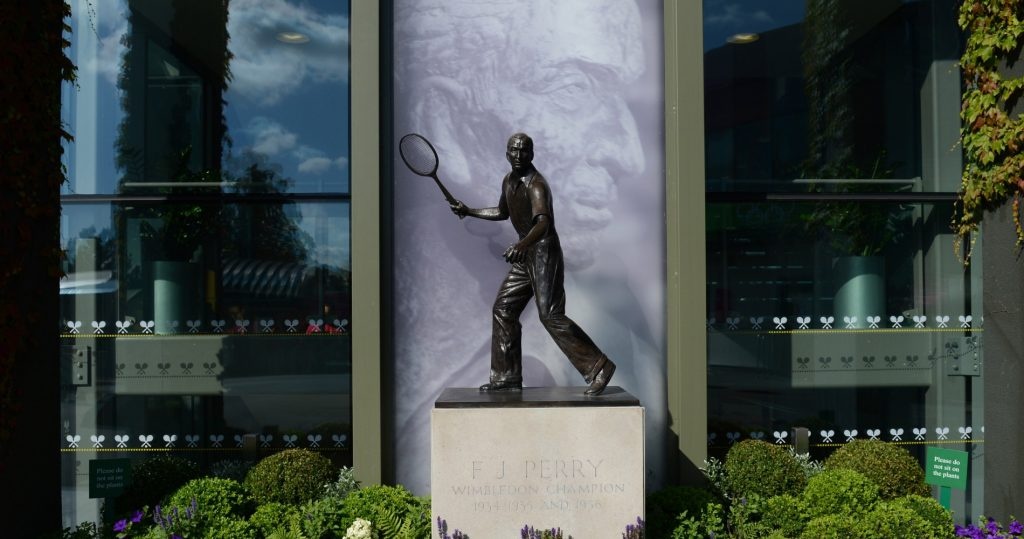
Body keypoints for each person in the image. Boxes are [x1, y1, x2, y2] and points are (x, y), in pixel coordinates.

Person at [450, 133, 616, 395]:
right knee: (503, 309)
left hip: (543, 253)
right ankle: (506, 377)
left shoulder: (536, 185)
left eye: (523, 151)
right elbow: (502, 211)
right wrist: (469, 210)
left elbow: (543, 223)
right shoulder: (509, 181)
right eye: (513, 151)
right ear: (506, 154)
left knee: (550, 315)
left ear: (532, 154)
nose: (518, 156)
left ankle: (599, 366)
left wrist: (521, 245)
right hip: (525, 253)